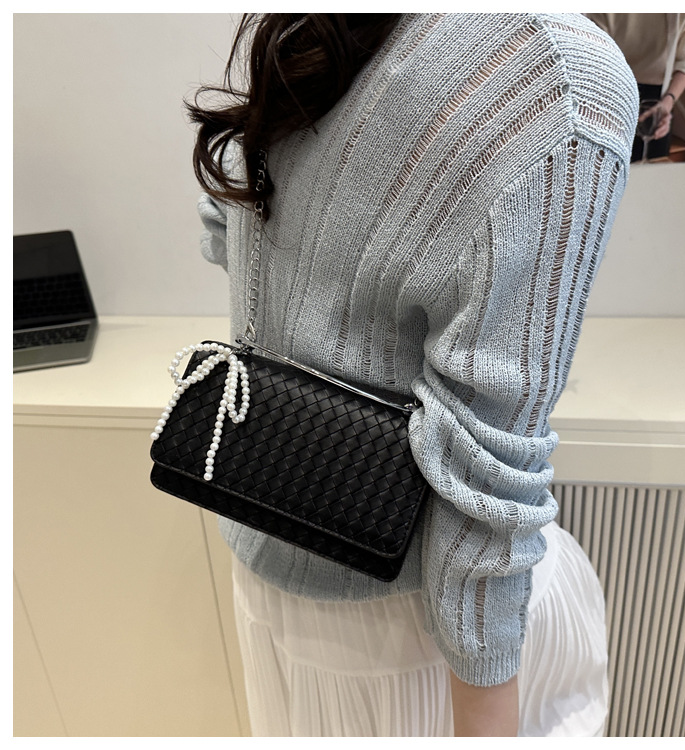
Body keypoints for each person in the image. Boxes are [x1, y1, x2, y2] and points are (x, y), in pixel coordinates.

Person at [188, 13, 638, 737]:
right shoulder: (559, 75)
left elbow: (225, 228)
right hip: (420, 640)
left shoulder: (313, 26)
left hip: (269, 567)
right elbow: (485, 460)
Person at [586, 13, 685, 162]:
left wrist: (668, 103)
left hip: (658, 99)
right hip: (610, 88)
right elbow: (595, 55)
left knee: (651, 170)